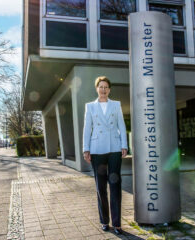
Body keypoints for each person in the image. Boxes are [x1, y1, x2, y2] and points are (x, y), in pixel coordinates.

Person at [83, 76, 128, 235]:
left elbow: (121, 125)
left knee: (115, 185)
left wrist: (124, 145)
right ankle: (104, 221)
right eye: (100, 87)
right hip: (97, 150)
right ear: (97, 89)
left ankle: (117, 223)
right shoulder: (90, 106)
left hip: (114, 148)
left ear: (109, 89)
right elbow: (87, 128)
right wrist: (86, 149)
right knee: (100, 187)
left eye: (106, 87)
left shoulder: (116, 105)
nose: (103, 90)